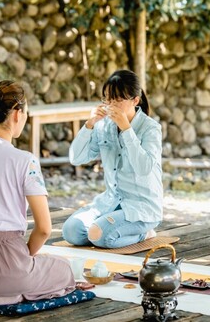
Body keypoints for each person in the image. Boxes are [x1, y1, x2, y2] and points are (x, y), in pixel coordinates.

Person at [0, 80, 77, 306]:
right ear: (17, 114)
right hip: (8, 263)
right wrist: (23, 255)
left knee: (31, 269)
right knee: (65, 270)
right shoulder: (25, 160)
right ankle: (4, 294)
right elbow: (45, 229)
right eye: (26, 113)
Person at [62, 70, 163, 249]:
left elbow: (144, 169)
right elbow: (76, 158)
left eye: (117, 100)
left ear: (135, 100)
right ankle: (107, 229)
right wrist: (90, 124)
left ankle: (143, 233)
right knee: (71, 231)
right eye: (107, 99)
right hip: (110, 202)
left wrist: (126, 130)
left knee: (98, 235)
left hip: (140, 208)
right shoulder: (103, 127)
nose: (111, 105)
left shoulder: (150, 128)